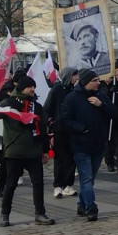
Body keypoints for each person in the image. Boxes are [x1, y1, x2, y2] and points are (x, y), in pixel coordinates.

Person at [0, 75, 54, 227]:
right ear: (21, 89)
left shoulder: (37, 106)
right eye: (29, 87)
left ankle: (40, 213)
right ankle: (4, 215)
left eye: (33, 87)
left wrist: (45, 150)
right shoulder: (9, 103)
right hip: (14, 151)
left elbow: (42, 129)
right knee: (10, 184)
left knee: (38, 183)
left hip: (33, 151)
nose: (32, 89)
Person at [60, 69, 116, 222]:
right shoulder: (72, 98)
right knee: (86, 178)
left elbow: (114, 112)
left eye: (98, 80)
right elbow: (65, 119)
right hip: (80, 145)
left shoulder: (100, 96)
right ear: (85, 82)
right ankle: (91, 207)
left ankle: (81, 204)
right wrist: (80, 128)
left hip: (98, 144)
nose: (98, 83)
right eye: (94, 80)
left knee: (90, 180)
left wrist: (101, 105)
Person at [45, 67, 78, 198]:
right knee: (59, 158)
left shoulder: (75, 90)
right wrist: (51, 123)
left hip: (72, 129)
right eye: (74, 75)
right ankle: (58, 185)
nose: (76, 78)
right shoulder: (56, 90)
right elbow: (47, 108)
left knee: (71, 158)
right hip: (59, 129)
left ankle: (68, 185)